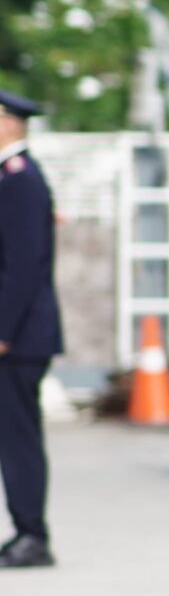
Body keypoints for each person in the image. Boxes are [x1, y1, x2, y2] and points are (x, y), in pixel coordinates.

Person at [0, 92, 60, 570]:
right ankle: (25, 528)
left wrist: (3, 329)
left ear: (9, 124)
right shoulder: (10, 177)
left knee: (18, 434)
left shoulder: (20, 181)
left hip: (19, 335)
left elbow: (22, 266)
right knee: (13, 433)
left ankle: (32, 534)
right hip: (17, 331)